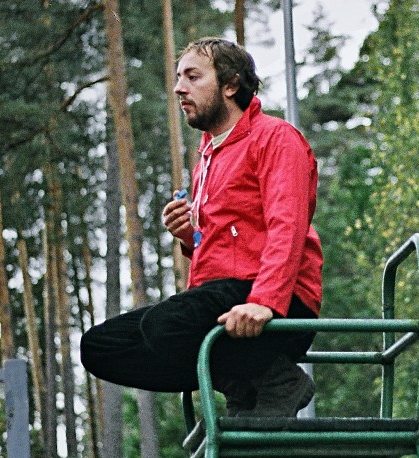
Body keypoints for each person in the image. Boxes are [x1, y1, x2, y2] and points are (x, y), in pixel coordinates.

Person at [80, 37, 323, 417]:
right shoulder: (208, 157)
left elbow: (287, 227)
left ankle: (278, 379)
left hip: (281, 304)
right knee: (100, 346)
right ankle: (240, 382)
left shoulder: (275, 137)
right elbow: (229, 245)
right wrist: (190, 238)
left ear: (231, 84)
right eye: (179, 78)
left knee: (165, 325)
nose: (179, 88)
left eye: (193, 77)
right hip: (225, 300)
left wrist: (264, 302)